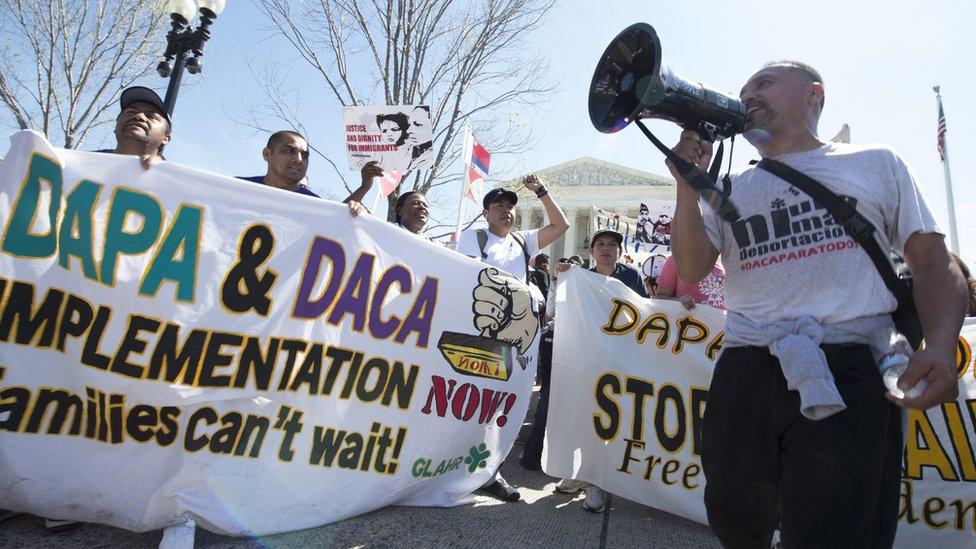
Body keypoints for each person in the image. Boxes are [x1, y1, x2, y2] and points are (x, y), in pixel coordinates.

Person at [666, 60, 967, 547]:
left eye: (763, 83)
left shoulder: (875, 162)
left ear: (813, 94)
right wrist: (686, 183)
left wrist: (941, 343)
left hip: (848, 368)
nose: (747, 96)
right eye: (743, 90)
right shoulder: (729, 189)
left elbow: (933, 263)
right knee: (734, 518)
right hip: (747, 369)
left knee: (838, 531)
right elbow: (693, 265)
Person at [456, 175, 570, 502]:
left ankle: (490, 472)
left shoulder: (523, 241)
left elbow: (560, 225)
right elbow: (471, 279)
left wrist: (541, 191)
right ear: (486, 212)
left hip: (514, 341)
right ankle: (455, 466)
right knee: (470, 403)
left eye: (510, 207)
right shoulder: (472, 239)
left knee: (501, 407)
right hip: (480, 336)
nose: (506, 212)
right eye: (499, 206)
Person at [548, 230, 646, 513]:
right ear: (591, 251)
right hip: (586, 359)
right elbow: (555, 311)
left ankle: (597, 484)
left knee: (608, 421)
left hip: (618, 361)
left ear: (619, 251)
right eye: (600, 244)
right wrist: (559, 278)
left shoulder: (631, 277)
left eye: (612, 245)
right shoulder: (581, 277)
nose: (606, 249)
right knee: (582, 416)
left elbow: (644, 313)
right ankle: (581, 473)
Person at [238, 130, 377, 215]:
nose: (299, 159)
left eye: (305, 155)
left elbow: (333, 223)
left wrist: (354, 215)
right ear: (267, 154)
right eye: (289, 151)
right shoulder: (236, 189)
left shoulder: (315, 206)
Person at [101, 86, 171, 170]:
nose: (138, 116)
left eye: (151, 115)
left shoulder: (173, 180)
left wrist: (162, 169)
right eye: (131, 112)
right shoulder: (83, 164)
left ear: (166, 138)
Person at [655, 255, 725, 310]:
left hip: (722, 327)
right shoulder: (676, 260)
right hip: (689, 325)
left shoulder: (726, 264)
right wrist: (678, 302)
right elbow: (659, 299)